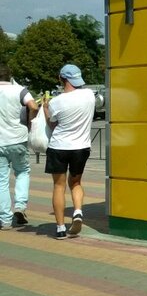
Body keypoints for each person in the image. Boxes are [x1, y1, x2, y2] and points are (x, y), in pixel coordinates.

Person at [43, 64, 95, 239]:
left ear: (61, 79)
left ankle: (60, 228)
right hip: (81, 147)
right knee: (76, 183)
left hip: (58, 147)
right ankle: (78, 211)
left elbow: (52, 124)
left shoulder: (56, 102)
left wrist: (45, 109)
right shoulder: (89, 95)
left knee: (59, 186)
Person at [0, 63, 39, 229]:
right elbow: (34, 106)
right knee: (22, 171)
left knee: (1, 180)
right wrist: (29, 122)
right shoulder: (20, 90)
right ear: (10, 76)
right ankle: (20, 206)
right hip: (18, 138)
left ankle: (5, 220)